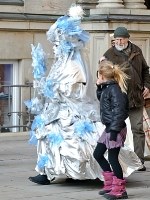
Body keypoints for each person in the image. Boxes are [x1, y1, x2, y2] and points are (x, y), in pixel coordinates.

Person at [100, 27, 150, 171]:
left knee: (138, 129)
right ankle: (118, 161)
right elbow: (103, 74)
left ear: (128, 38)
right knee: (115, 130)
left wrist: (147, 86)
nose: (119, 41)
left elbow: (145, 70)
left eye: (122, 39)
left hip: (136, 96)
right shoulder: (109, 54)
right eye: (117, 39)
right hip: (118, 99)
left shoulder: (137, 50)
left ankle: (139, 161)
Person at [93, 60, 129, 199]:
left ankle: (120, 190)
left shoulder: (115, 90)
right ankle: (110, 184)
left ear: (102, 75)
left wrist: (114, 131)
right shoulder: (107, 88)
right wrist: (98, 88)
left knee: (113, 158)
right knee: (98, 154)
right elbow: (103, 100)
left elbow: (119, 111)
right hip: (109, 127)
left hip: (115, 128)